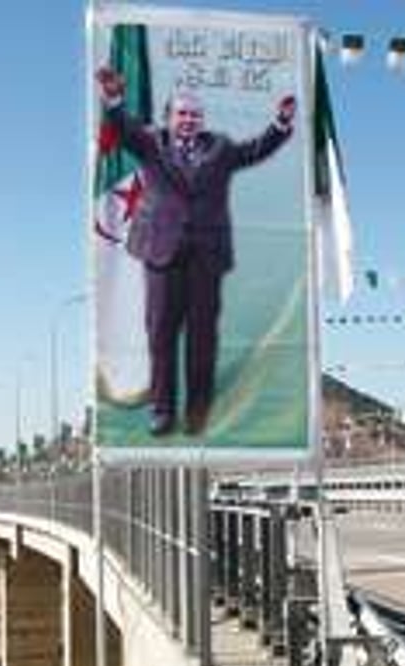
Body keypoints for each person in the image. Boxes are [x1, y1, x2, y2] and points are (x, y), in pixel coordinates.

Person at [95, 66, 297, 437]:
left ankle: (199, 411)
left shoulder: (218, 148)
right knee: (161, 337)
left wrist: (280, 124)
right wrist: (113, 99)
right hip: (161, 252)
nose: (189, 120)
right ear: (169, 117)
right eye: (182, 114)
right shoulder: (150, 141)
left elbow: (253, 151)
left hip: (206, 256)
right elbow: (122, 128)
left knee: (203, 338)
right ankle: (162, 410)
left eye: (195, 115)